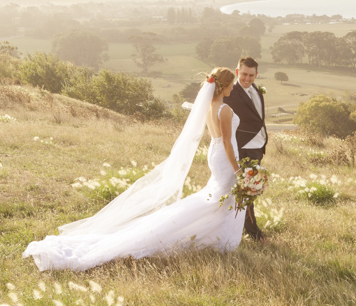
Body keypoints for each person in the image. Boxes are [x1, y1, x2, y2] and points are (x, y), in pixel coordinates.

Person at [22, 67, 246, 272]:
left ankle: (215, 237)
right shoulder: (224, 110)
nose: (234, 87)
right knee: (219, 197)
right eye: (232, 84)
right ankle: (217, 239)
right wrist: (238, 170)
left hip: (215, 155)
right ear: (224, 86)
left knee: (218, 197)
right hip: (225, 157)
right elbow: (227, 142)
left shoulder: (209, 107)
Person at [223, 56, 267, 239]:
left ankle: (237, 226)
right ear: (236, 72)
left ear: (256, 75)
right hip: (243, 148)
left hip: (258, 146)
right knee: (248, 190)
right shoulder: (230, 93)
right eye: (243, 75)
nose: (247, 79)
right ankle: (253, 232)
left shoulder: (256, 89)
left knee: (248, 190)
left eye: (251, 75)